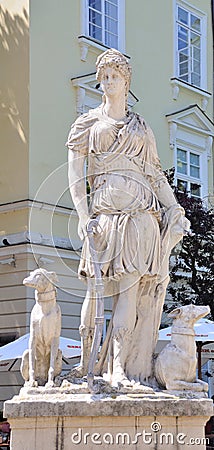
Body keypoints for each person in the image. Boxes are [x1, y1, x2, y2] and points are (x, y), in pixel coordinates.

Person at [67, 49, 190, 387]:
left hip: (141, 220)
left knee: (129, 295)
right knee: (94, 293)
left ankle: (119, 368)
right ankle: (85, 366)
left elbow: (155, 175)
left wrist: (173, 207)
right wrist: (81, 215)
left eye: (114, 77)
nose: (107, 83)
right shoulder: (86, 124)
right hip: (104, 217)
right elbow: (76, 176)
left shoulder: (142, 127)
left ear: (125, 81)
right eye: (103, 77)